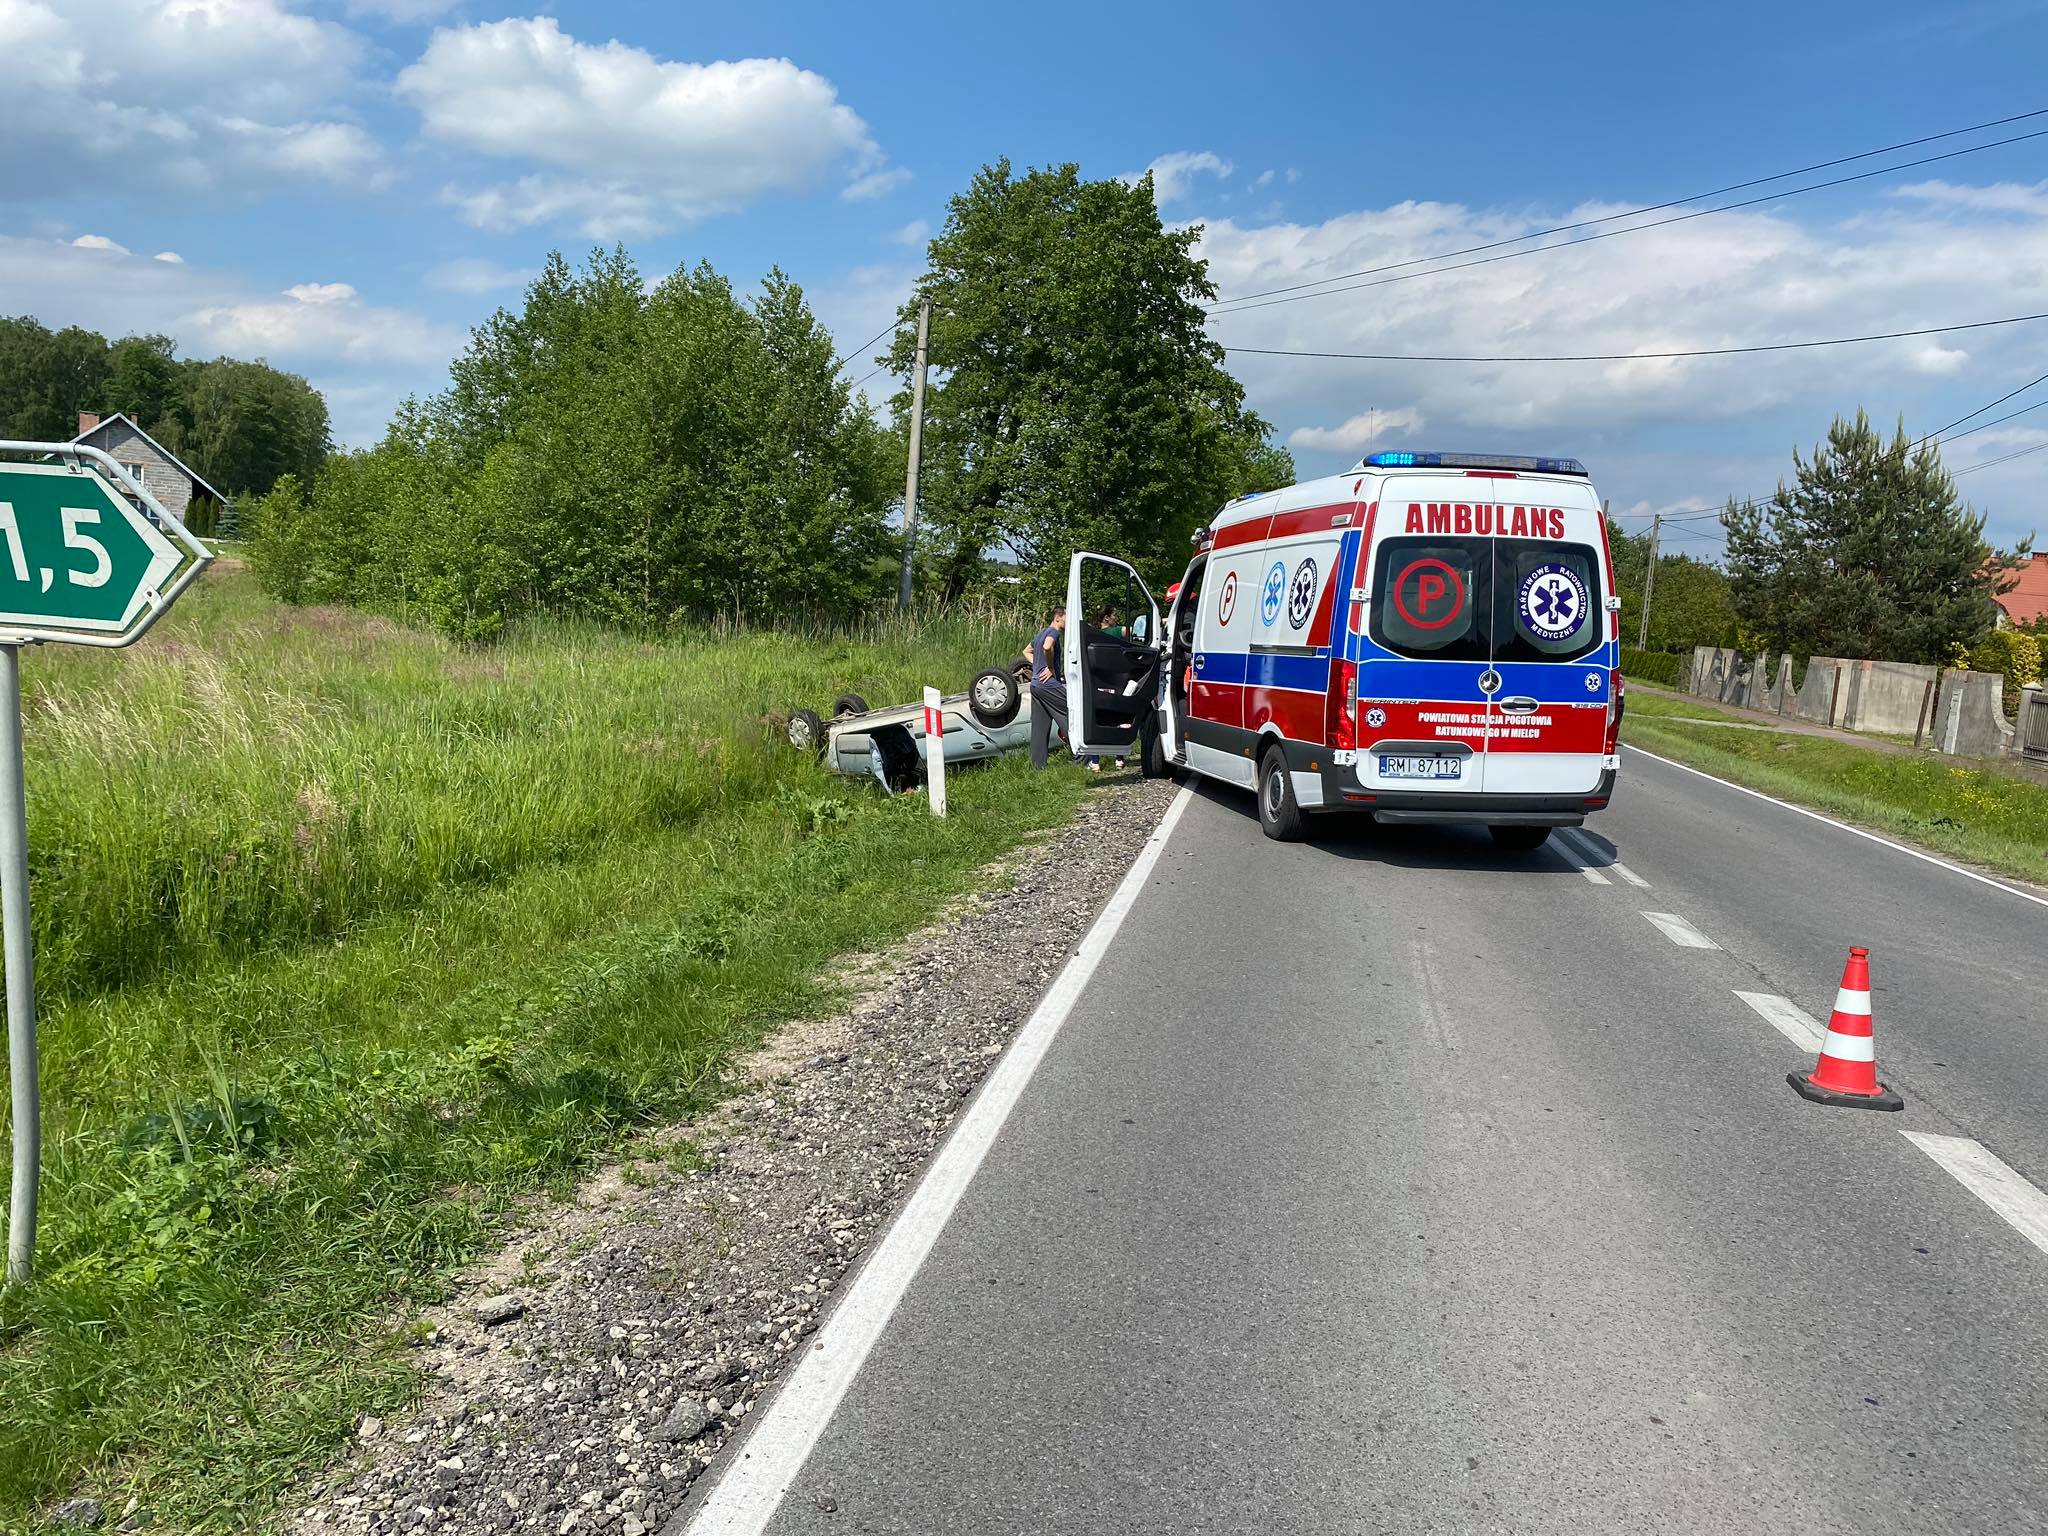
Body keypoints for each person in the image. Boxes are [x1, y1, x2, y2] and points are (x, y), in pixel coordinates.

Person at [1026, 606, 1069, 769]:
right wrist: (1049, 667)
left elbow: (1027, 651)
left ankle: (1038, 766)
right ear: (1058, 618)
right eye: (1067, 618)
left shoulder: (1041, 633)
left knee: (1039, 727)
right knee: (1071, 714)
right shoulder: (1053, 632)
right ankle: (1084, 759)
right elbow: (1047, 646)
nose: (1068, 622)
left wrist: (1038, 665)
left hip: (1036, 685)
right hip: (1049, 685)